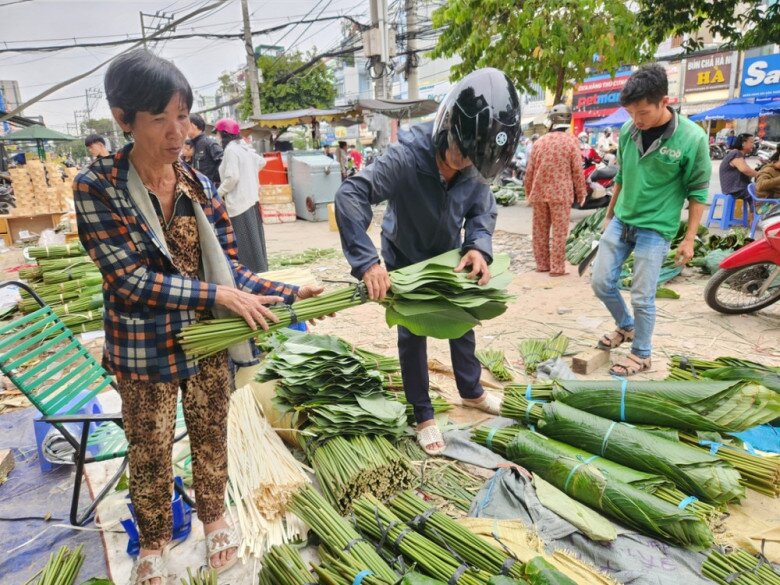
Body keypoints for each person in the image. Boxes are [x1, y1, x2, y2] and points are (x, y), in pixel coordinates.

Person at [73, 49, 323, 585]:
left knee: (211, 436)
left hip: (207, 340)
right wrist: (220, 296)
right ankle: (155, 545)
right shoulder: (98, 187)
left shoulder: (198, 185)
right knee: (151, 450)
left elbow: (230, 273)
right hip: (144, 350)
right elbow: (130, 281)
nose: (176, 133)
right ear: (123, 119)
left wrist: (289, 290)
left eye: (182, 116)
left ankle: (215, 521)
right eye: (159, 119)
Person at [335, 68, 521, 455]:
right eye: (462, 155)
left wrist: (478, 246)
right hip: (404, 255)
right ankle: (423, 414)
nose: (465, 164)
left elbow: (483, 209)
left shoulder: (475, 165)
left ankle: (470, 391)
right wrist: (368, 262)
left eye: (474, 161)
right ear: (448, 128)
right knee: (412, 333)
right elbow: (351, 195)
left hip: (449, 256)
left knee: (463, 318)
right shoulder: (406, 156)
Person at [591, 64, 710, 377]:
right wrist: (609, 213)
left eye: (642, 112)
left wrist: (688, 239)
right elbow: (622, 175)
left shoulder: (692, 138)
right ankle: (626, 326)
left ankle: (641, 353)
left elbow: (698, 192)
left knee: (643, 296)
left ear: (664, 102)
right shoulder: (629, 132)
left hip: (656, 229)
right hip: (622, 220)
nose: (636, 120)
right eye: (631, 112)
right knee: (601, 282)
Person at [524, 104, 586, 275]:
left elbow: (529, 171)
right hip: (561, 194)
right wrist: (581, 193)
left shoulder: (540, 142)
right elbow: (577, 171)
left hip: (539, 193)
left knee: (539, 231)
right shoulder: (571, 141)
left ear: (551, 120)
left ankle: (542, 265)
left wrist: (528, 192)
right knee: (559, 232)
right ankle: (557, 268)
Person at [216, 117, 269, 273]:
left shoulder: (231, 150)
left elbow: (232, 177)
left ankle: (250, 274)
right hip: (251, 199)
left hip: (239, 202)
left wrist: (217, 193)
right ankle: (260, 270)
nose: (217, 137)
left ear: (224, 134)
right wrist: (250, 175)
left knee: (245, 243)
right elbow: (261, 162)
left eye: (218, 134)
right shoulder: (243, 147)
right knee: (255, 241)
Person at [719, 133, 759, 200]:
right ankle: (757, 210)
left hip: (738, 188)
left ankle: (754, 209)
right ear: (743, 143)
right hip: (734, 189)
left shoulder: (739, 154)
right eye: (751, 142)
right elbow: (745, 170)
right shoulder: (736, 153)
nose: (753, 145)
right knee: (763, 193)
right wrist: (761, 174)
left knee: (761, 189)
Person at [188, 113, 223, 187]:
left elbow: (223, 162)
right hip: (199, 188)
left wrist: (212, 181)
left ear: (193, 126)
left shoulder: (209, 143)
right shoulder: (193, 144)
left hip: (210, 189)